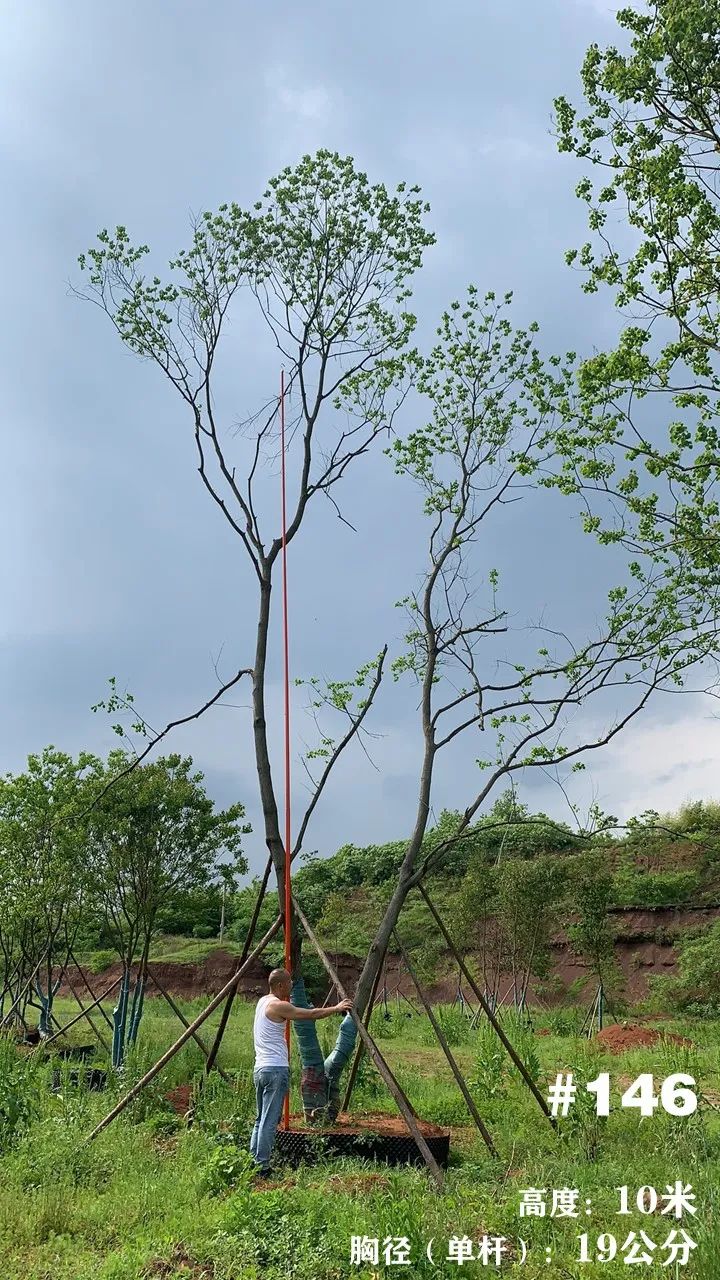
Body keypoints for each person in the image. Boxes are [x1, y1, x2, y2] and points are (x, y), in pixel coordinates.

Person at [250, 967, 352, 1176]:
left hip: (260, 1069)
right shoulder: (279, 1006)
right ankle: (263, 1167)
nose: (290, 987)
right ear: (280, 985)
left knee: (261, 1118)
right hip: (275, 1070)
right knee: (270, 1121)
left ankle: (253, 1159)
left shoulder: (262, 1002)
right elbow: (310, 1014)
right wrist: (337, 1008)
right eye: (288, 983)